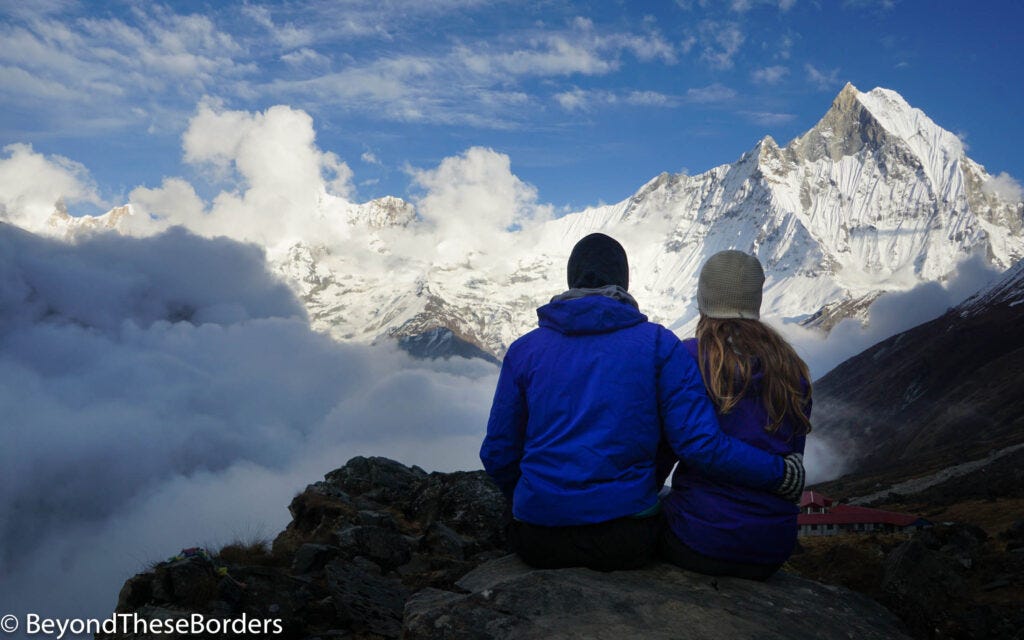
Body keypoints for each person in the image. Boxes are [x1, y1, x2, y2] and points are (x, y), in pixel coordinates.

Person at [480, 234, 805, 572]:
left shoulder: (524, 350)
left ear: (570, 278)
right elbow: (685, 441)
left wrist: (538, 496)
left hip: (538, 537)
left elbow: (498, 453)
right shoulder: (659, 344)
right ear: (624, 280)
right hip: (627, 537)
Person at [658, 249, 812, 581]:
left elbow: (678, 446)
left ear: (702, 298)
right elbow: (793, 457)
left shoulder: (689, 357)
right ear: (756, 298)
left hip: (699, 540)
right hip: (772, 549)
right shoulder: (792, 367)